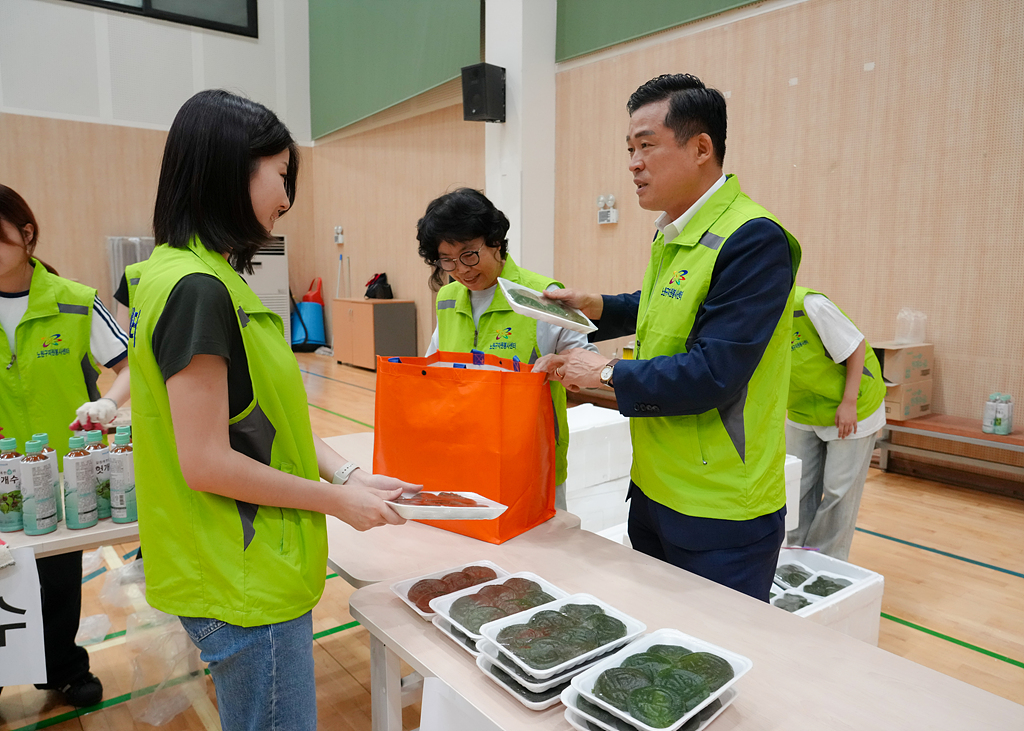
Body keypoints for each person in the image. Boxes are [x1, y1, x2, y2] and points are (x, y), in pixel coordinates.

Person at [129, 89, 419, 731]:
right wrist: (337, 504)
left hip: (244, 565)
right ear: (231, 169)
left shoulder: (190, 276)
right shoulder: (198, 290)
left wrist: (347, 475)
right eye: (280, 176)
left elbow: (266, 421)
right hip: (241, 576)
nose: (287, 199)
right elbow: (205, 461)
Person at [535, 74, 801, 602]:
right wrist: (598, 308)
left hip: (721, 509)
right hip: (656, 492)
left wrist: (605, 372)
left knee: (712, 664)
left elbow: (713, 372)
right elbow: (662, 311)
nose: (633, 162)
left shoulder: (754, 239)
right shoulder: (674, 232)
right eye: (629, 149)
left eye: (647, 146)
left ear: (701, 148)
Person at [0, 184, 131, 707]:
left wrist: (109, 405)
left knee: (57, 577)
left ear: (26, 235)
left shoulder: (76, 301)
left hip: (61, 475)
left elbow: (129, 367)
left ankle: (63, 668)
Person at [416, 188, 598, 510]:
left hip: (530, 460)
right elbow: (435, 370)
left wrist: (565, 368)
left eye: (470, 254)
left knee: (539, 552)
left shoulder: (541, 295)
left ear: (495, 241)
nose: (462, 270)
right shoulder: (447, 297)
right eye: (448, 260)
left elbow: (586, 365)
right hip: (466, 455)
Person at [785, 287, 886, 560]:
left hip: (852, 403)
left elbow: (855, 347)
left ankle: (826, 563)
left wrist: (849, 403)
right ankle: (795, 557)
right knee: (797, 487)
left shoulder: (810, 305)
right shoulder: (748, 313)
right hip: (802, 407)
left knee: (837, 491)